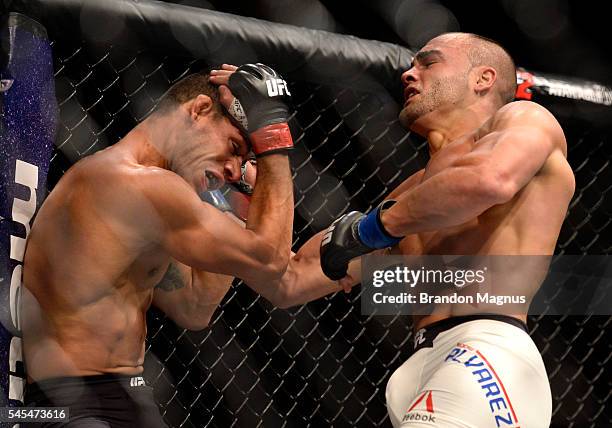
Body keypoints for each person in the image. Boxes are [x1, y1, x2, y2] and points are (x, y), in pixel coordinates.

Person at [234, 33, 573, 427]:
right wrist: (269, 141)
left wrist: (373, 229)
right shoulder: (412, 195)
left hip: (484, 353)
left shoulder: (525, 120)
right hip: (417, 368)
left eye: (429, 63)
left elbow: (489, 182)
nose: (409, 74)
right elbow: (289, 282)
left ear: (482, 78)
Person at [20, 63, 296, 427]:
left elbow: (194, 308)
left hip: (125, 396)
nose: (234, 170)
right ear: (198, 110)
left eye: (243, 161)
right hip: (76, 406)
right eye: (234, 147)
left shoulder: (152, 203)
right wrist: (273, 135)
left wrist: (235, 206)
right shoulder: (133, 183)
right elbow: (270, 260)